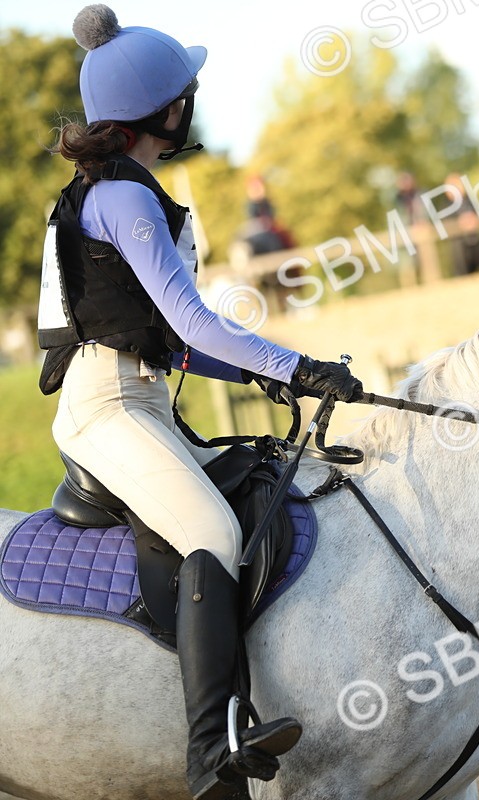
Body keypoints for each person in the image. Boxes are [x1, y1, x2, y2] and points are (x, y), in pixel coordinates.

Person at [39, 7, 363, 798]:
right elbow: (194, 321)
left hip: (144, 396)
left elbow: (177, 345)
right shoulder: (122, 196)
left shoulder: (129, 192)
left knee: (266, 483)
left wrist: (259, 375)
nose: (192, 104)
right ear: (167, 109)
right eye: (187, 93)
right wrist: (297, 366)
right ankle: (211, 754)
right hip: (106, 408)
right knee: (212, 531)